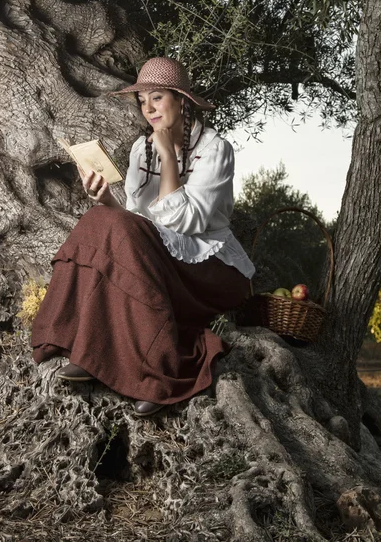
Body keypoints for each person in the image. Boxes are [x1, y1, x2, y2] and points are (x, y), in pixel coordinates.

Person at [31, 57, 255, 416]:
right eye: (142, 101)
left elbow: (184, 222)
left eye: (157, 98)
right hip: (161, 257)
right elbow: (136, 223)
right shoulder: (140, 149)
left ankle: (153, 373)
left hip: (211, 269)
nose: (148, 108)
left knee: (113, 228)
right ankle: (83, 347)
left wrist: (168, 156)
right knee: (98, 219)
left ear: (181, 100)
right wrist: (106, 201)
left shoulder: (215, 149)